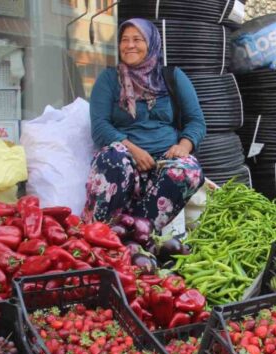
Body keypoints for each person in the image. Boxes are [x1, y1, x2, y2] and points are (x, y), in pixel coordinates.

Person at [85, 18, 206, 230]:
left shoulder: (172, 77)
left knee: (189, 170)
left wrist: (183, 147)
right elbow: (100, 126)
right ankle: (100, 234)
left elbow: (196, 121)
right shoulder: (109, 80)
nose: (129, 45)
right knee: (112, 158)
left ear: (152, 44)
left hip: (165, 158)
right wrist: (134, 151)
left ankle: (138, 233)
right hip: (125, 157)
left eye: (137, 39)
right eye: (124, 40)